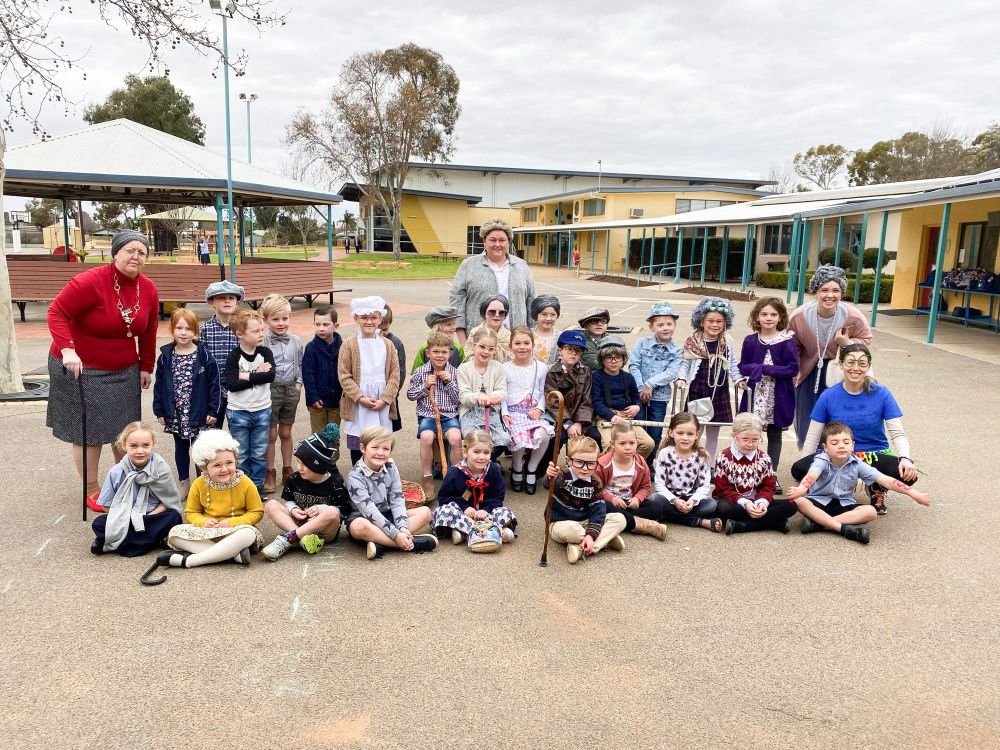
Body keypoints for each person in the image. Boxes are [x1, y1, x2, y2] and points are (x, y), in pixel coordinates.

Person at [47, 229, 159, 508]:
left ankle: (125, 481)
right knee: (90, 431)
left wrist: (146, 365)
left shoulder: (148, 288)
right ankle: (92, 489)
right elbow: (56, 312)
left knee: (125, 432)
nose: (136, 256)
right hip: (81, 367)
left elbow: (150, 331)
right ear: (116, 253)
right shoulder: (90, 281)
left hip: (124, 369)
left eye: (141, 252)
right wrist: (67, 348)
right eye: (130, 250)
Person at [791, 343, 918, 515]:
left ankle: (876, 487)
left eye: (862, 363)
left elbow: (897, 432)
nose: (856, 368)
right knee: (798, 469)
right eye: (850, 362)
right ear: (841, 364)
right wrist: (809, 466)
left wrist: (905, 458)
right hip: (837, 454)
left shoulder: (882, 393)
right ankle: (835, 485)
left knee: (907, 474)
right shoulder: (828, 395)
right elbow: (813, 436)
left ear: (869, 366)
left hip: (874, 453)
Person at [144, 430, 264, 583]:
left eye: (229, 463)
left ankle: (191, 561)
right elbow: (191, 512)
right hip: (208, 533)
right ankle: (232, 555)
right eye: (217, 465)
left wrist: (231, 522)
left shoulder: (245, 482)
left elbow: (257, 512)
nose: (225, 469)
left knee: (249, 534)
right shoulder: (199, 484)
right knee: (175, 533)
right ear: (204, 468)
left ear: (235, 461)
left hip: (235, 533)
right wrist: (203, 522)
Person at [787, 422, 930, 545]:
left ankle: (819, 524)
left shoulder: (858, 464)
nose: (841, 446)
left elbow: (886, 480)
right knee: (800, 501)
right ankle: (843, 529)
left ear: (853, 445)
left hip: (844, 504)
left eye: (846, 442)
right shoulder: (821, 460)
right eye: (835, 443)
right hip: (818, 502)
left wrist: (914, 494)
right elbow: (812, 475)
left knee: (871, 512)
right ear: (826, 448)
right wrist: (802, 489)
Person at [787, 264, 873, 449]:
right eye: (824, 290)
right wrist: (792, 376)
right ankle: (811, 459)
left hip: (841, 373)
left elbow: (866, 340)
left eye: (836, 290)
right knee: (808, 418)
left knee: (839, 417)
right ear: (815, 292)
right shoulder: (799, 317)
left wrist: (845, 343)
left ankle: (840, 459)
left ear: (842, 293)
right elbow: (792, 347)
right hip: (810, 372)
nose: (830, 295)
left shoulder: (853, 316)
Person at [152, 309, 221, 497]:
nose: (184, 333)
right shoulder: (166, 357)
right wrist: (159, 410)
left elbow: (215, 386)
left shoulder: (205, 356)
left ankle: (202, 483)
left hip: (198, 412)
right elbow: (159, 385)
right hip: (176, 413)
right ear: (172, 329)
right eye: (179, 328)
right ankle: (184, 482)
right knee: (181, 447)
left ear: (195, 331)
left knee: (200, 449)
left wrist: (213, 411)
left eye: (189, 329)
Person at [344, 425, 437, 560]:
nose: (380, 453)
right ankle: (409, 543)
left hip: (389, 516)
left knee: (426, 512)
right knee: (358, 526)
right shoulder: (355, 477)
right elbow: (370, 512)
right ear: (363, 448)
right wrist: (396, 535)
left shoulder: (391, 467)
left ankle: (382, 544)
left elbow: (397, 499)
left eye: (386, 449)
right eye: (375, 447)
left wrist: (403, 527)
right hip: (366, 519)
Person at [90, 422, 182, 557]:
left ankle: (117, 542)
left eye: (146, 445)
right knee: (99, 523)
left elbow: (168, 501)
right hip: (125, 517)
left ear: (153, 445)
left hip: (152, 516)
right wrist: (129, 517)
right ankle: (155, 541)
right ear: (124, 446)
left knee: (174, 517)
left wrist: (146, 517)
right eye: (133, 446)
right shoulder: (116, 471)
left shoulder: (161, 468)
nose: (140, 451)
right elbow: (106, 505)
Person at [676, 296, 747, 462]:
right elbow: (685, 364)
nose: (715, 325)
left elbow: (732, 364)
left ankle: (708, 465)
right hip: (698, 390)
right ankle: (693, 462)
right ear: (701, 321)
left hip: (719, 392)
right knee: (695, 431)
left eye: (719, 321)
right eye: (711, 321)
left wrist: (738, 380)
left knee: (713, 432)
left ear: (725, 323)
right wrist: (681, 378)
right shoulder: (693, 341)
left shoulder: (726, 340)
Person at [738, 297, 799, 487]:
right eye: (764, 314)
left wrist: (766, 369)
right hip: (755, 394)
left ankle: (770, 475)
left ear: (780, 317)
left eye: (773, 314)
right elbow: (743, 365)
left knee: (775, 435)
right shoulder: (750, 341)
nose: (768, 318)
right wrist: (755, 369)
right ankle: (748, 471)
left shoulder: (787, 341)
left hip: (778, 396)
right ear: (756, 316)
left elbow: (792, 369)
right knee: (749, 433)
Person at [261, 428, 349, 561]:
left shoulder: (335, 484)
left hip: (324, 531)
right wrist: (294, 509)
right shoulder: (294, 478)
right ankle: (303, 538)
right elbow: (289, 500)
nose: (299, 467)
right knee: (271, 505)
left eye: (304, 464)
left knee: (331, 512)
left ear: (318, 466)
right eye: (297, 462)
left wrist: (321, 509)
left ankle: (289, 538)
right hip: (300, 523)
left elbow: (344, 509)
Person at [449, 217, 536, 344]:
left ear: (509, 242)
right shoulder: (469, 265)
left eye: (502, 240)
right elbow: (456, 301)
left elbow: (531, 300)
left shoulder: (521, 265)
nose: (497, 244)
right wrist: (463, 340)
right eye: (492, 240)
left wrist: (531, 334)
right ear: (484, 240)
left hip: (516, 341)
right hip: (478, 341)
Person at [543, 436, 626, 564]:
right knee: (573, 530)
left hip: (585, 522)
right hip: (561, 523)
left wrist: (590, 534)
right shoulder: (562, 475)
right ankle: (605, 541)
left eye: (591, 464)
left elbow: (598, 510)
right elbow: (549, 484)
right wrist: (550, 476)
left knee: (620, 519)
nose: (585, 468)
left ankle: (581, 548)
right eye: (579, 462)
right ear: (569, 461)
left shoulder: (595, 482)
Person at [338, 296, 401, 465]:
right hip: (359, 403)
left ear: (380, 318)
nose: (369, 322)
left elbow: (395, 375)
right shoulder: (348, 345)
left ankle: (379, 475)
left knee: (380, 441)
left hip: (381, 402)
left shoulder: (388, 345)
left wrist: (386, 399)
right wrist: (359, 397)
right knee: (359, 442)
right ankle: (358, 476)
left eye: (373, 317)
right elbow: (344, 375)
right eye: (364, 317)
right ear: (356, 319)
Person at [713, 413, 797, 535]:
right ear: (735, 436)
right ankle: (774, 522)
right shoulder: (724, 457)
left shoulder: (764, 458)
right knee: (722, 507)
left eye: (755, 440)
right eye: (745, 439)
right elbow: (722, 489)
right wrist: (744, 502)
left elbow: (769, 486)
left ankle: (742, 525)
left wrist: (762, 502)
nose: (750, 444)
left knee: (792, 505)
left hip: (757, 501)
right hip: (735, 502)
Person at [432, 429, 516, 546]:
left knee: (505, 512)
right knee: (444, 511)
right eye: (476, 452)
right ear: (465, 452)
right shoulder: (455, 472)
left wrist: (486, 510)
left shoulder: (493, 470)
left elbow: (498, 497)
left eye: (486, 453)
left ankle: (472, 533)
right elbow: (444, 498)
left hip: (486, 514)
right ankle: (484, 532)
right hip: (463, 514)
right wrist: (464, 507)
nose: (482, 457)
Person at [224, 309, 275, 495]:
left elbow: (270, 376)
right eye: (256, 331)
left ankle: (256, 488)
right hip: (238, 411)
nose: (261, 334)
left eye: (262, 330)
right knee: (242, 453)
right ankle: (242, 489)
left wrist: (243, 376)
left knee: (259, 453)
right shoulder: (234, 356)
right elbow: (231, 384)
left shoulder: (265, 352)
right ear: (240, 334)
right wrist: (256, 374)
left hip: (262, 410)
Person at [407, 331, 463, 496]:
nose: (440, 355)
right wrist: (425, 386)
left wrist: (449, 383)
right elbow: (410, 395)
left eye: (444, 352)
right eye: (436, 352)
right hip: (428, 415)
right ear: (428, 352)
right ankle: (427, 476)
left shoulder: (455, 373)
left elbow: (458, 400)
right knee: (426, 437)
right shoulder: (420, 372)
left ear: (450, 353)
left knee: (455, 438)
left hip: (449, 415)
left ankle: (455, 477)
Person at [594, 422, 669, 541]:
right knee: (600, 506)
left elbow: (645, 487)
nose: (628, 447)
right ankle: (643, 525)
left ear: (637, 443)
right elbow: (595, 489)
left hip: (629, 504)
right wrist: (612, 499)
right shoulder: (603, 463)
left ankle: (620, 522)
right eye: (622, 443)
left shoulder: (641, 463)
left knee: (657, 507)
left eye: (632, 443)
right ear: (612, 444)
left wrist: (637, 499)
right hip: (611, 503)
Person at [259, 294, 303, 494]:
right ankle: (270, 471)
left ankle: (287, 469)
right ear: (266, 320)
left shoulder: (296, 340)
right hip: (270, 390)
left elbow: (301, 364)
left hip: (291, 389)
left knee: (286, 432)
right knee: (271, 433)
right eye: (275, 319)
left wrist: (299, 384)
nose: (280, 323)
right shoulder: (262, 342)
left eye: (284, 318)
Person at [502, 326, 554, 494]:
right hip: (514, 412)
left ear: (532, 345)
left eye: (526, 343)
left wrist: (539, 409)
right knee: (519, 437)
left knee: (544, 435)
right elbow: (502, 393)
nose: (522, 347)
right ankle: (517, 467)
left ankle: (531, 468)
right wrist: (505, 413)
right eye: (517, 343)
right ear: (510, 346)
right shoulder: (505, 368)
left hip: (533, 411)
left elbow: (544, 392)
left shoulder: (541, 367)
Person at [649, 412, 721, 532]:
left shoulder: (702, 456)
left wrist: (692, 501)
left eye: (690, 434)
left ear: (697, 434)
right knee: (654, 499)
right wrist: (675, 500)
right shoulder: (665, 453)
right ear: (671, 432)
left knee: (711, 504)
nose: (685, 438)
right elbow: (659, 484)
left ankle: (669, 516)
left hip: (690, 500)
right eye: (680, 433)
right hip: (669, 499)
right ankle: (698, 521)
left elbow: (704, 486)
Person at [591, 336, 656, 459]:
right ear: (602, 359)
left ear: (623, 359)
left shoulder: (628, 377)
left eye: (618, 357)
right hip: (606, 417)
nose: (614, 361)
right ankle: (607, 472)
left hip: (626, 417)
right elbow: (597, 402)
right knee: (610, 446)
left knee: (648, 443)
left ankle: (629, 466)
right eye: (609, 357)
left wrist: (637, 406)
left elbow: (636, 397)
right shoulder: (596, 377)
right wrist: (612, 416)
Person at [630, 302, 683, 448]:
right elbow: (634, 365)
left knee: (655, 432)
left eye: (669, 324)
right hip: (638, 394)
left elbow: (671, 372)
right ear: (651, 327)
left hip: (660, 398)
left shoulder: (677, 350)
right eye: (660, 325)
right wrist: (641, 387)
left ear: (674, 325)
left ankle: (650, 465)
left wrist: (650, 384)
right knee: (637, 430)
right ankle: (636, 463)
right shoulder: (642, 343)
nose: (665, 328)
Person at [544, 329, 600, 447]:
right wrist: (568, 424)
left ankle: (588, 464)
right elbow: (553, 402)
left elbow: (587, 399)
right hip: (558, 419)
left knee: (596, 437)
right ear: (560, 351)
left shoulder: (586, 372)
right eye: (569, 349)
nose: (574, 353)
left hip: (581, 419)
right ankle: (545, 466)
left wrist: (580, 422)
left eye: (578, 350)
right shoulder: (552, 373)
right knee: (554, 439)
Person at [302, 305, 343, 463]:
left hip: (336, 401)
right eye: (317, 324)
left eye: (326, 324)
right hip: (317, 402)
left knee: (333, 435)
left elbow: (345, 372)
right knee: (319, 435)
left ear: (335, 325)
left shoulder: (342, 346)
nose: (321, 328)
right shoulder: (311, 348)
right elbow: (308, 374)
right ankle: (318, 465)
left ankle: (331, 466)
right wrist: (313, 396)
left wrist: (344, 396)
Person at [200, 280, 244, 428]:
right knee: (212, 433)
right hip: (212, 391)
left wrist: (234, 386)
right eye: (221, 298)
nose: (227, 300)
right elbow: (202, 364)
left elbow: (248, 361)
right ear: (211, 302)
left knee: (239, 433)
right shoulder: (204, 330)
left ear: (237, 302)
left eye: (231, 298)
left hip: (238, 389)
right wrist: (216, 389)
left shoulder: (244, 329)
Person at [457, 328, 510, 450]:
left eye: (491, 349)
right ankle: (476, 463)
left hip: (491, 412)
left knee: (502, 440)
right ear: (474, 346)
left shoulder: (498, 368)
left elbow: (502, 389)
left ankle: (489, 462)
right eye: (482, 347)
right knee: (474, 440)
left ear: (494, 351)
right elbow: (464, 396)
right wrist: (478, 397)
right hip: (470, 412)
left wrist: (498, 395)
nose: (486, 352)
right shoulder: (464, 369)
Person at [410, 305, 465, 372]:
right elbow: (415, 372)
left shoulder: (458, 347)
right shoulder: (425, 347)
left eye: (454, 324)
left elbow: (463, 370)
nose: (453, 327)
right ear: (437, 327)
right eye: (448, 324)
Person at [379, 304, 406, 434]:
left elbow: (400, 373)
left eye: (386, 329)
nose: (383, 333)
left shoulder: (396, 343)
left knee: (385, 434)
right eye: (379, 329)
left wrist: (390, 394)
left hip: (389, 397)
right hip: (367, 398)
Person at [467, 295, 512, 363]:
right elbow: (467, 355)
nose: (497, 315)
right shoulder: (475, 332)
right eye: (492, 312)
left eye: (501, 312)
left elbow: (514, 358)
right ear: (484, 313)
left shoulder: (509, 336)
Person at [528, 294, 562, 365]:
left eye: (553, 315)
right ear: (536, 315)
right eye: (544, 314)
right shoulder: (527, 334)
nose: (548, 318)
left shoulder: (561, 337)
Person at [576, 307, 610, 372]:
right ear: (586, 325)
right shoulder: (579, 341)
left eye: (603, 321)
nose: (599, 324)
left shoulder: (614, 341)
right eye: (594, 321)